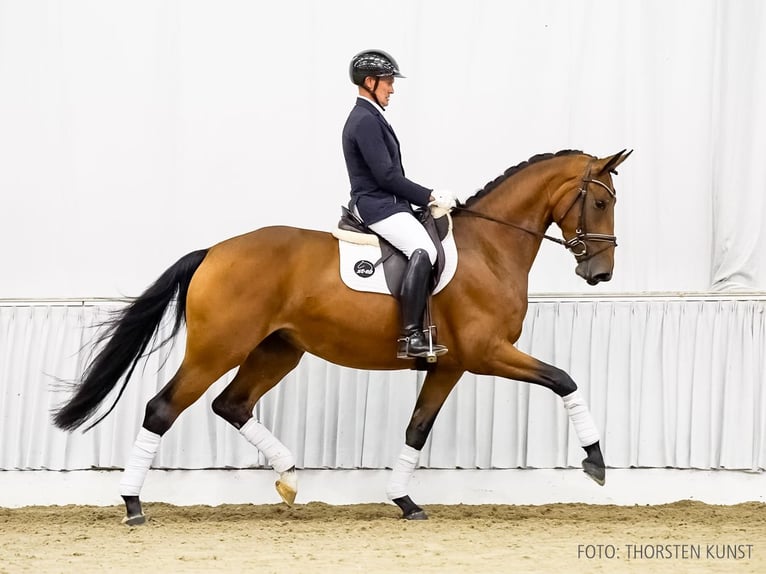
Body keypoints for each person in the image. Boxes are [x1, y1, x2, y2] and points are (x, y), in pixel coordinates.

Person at [342, 49, 455, 359]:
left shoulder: (372, 116)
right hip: (376, 205)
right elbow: (387, 175)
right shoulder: (364, 120)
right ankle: (412, 336)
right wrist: (429, 195)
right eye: (388, 82)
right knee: (426, 250)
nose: (392, 88)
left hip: (389, 202)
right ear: (370, 82)